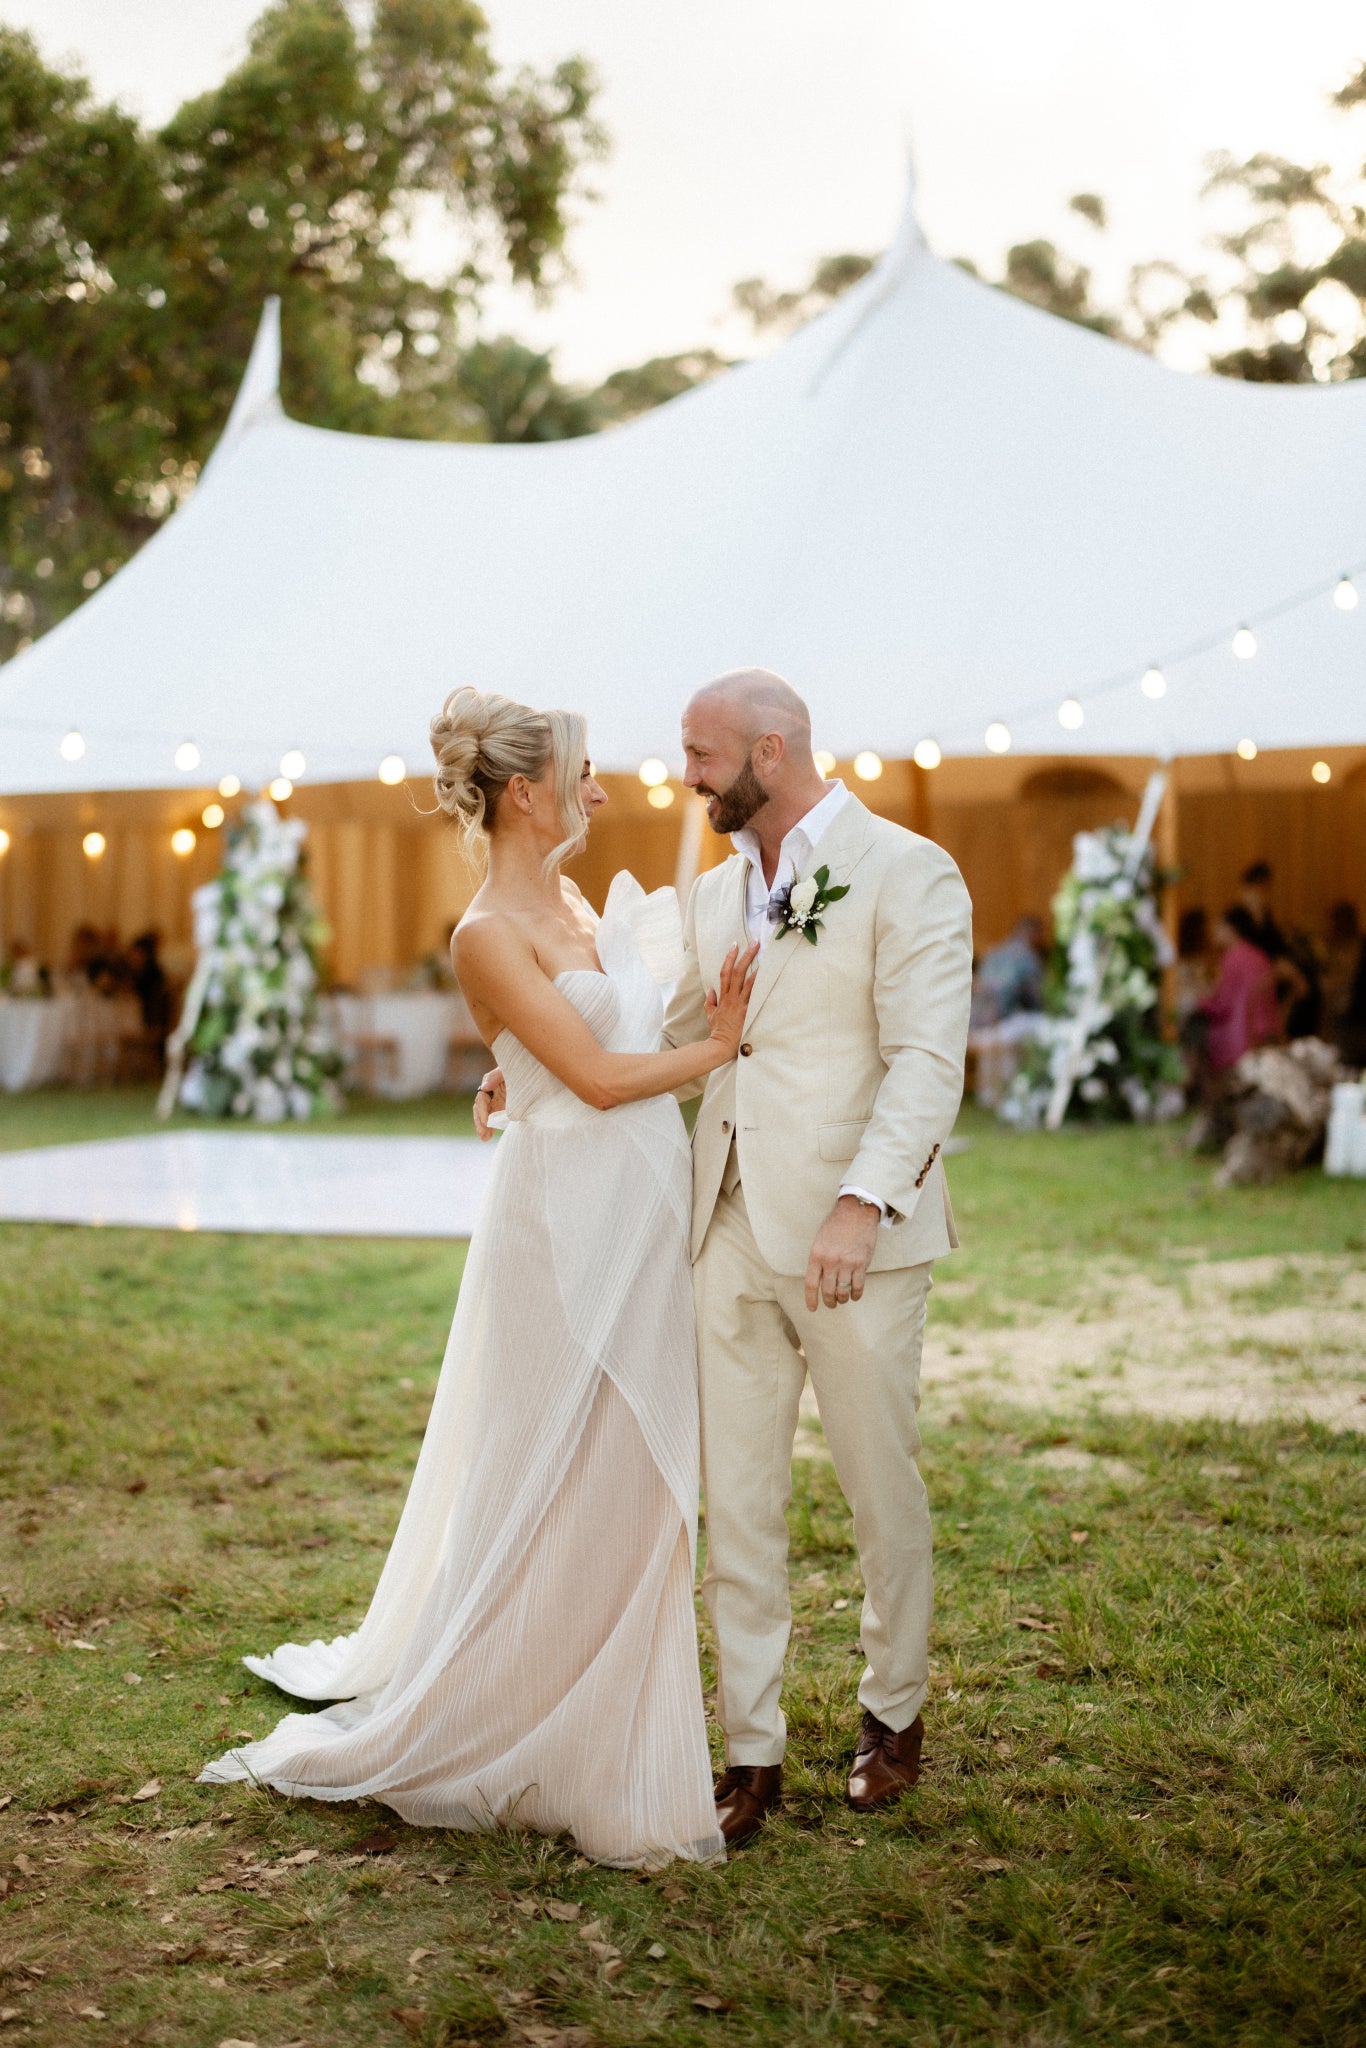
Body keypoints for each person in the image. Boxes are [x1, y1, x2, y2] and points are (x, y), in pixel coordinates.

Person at [201, 687, 758, 1869]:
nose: (601, 791)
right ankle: (515, 1716)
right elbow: (600, 1076)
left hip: (637, 1208)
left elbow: (567, 1040)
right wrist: (721, 1042)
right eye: (584, 771)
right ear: (525, 789)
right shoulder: (481, 934)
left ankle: (597, 1726)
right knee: (554, 1469)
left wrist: (518, 1068)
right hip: (562, 1224)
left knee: (639, 1480)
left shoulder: (561, 895)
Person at [475, 669, 972, 1845]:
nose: (684, 775)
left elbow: (924, 1063)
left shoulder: (909, 871)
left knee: (876, 1485)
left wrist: (861, 1204)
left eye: (701, 755)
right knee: (734, 1502)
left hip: (853, 1239)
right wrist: (524, 1063)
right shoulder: (708, 895)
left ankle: (889, 1713)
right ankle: (751, 1750)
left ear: (771, 745)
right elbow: (661, 1023)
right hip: (722, 1229)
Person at [1198, 906, 1279, 1073]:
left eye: (1219, 926)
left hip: (1237, 1039)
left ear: (1231, 928)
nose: (1215, 931)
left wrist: (1199, 1001)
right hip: (1264, 1034)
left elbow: (1222, 1007)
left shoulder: (1231, 959)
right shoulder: (1260, 956)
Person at [969, 914, 1044, 1028]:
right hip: (998, 1016)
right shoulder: (1028, 958)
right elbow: (1037, 997)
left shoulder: (994, 950)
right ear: (1034, 935)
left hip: (973, 1010)